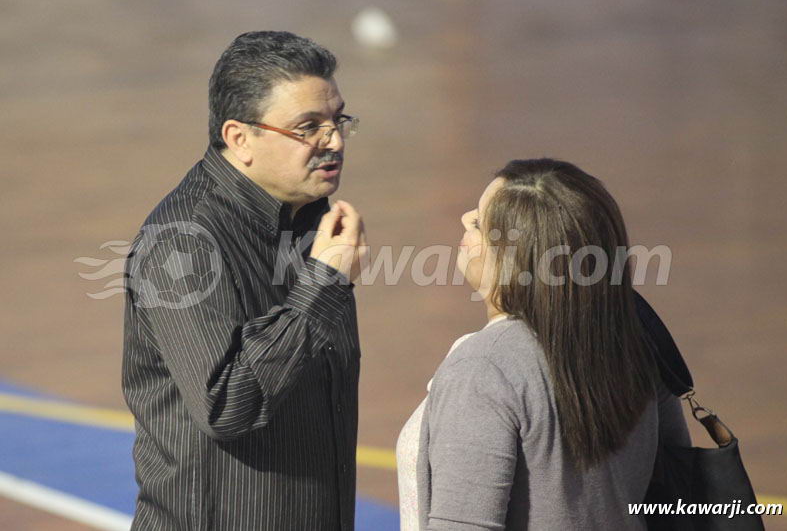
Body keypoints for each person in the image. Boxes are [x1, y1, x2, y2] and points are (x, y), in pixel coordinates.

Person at [122, 31, 367, 530]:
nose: (334, 141)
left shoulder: (309, 222)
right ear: (240, 138)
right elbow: (227, 405)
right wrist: (320, 287)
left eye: (337, 120)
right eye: (308, 127)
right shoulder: (182, 242)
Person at [397, 159, 691, 530]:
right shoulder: (637, 346)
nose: (464, 219)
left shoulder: (485, 368)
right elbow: (674, 480)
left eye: (478, 223)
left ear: (511, 259)